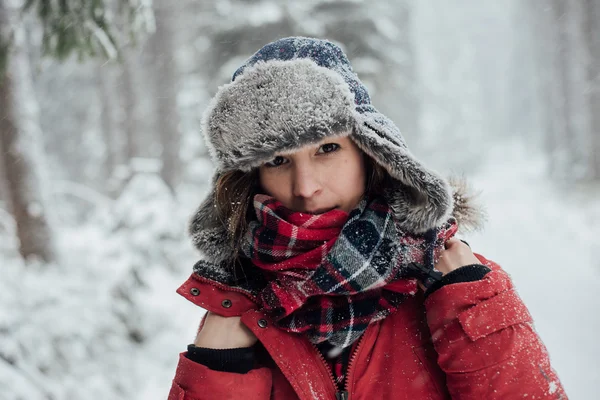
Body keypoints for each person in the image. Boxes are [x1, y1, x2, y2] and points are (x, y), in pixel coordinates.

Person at [168, 37, 566, 400]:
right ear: (253, 177)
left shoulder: (452, 281)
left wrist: (475, 310)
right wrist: (218, 369)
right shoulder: (236, 310)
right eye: (278, 160)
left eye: (326, 148)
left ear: (368, 152)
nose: (306, 186)